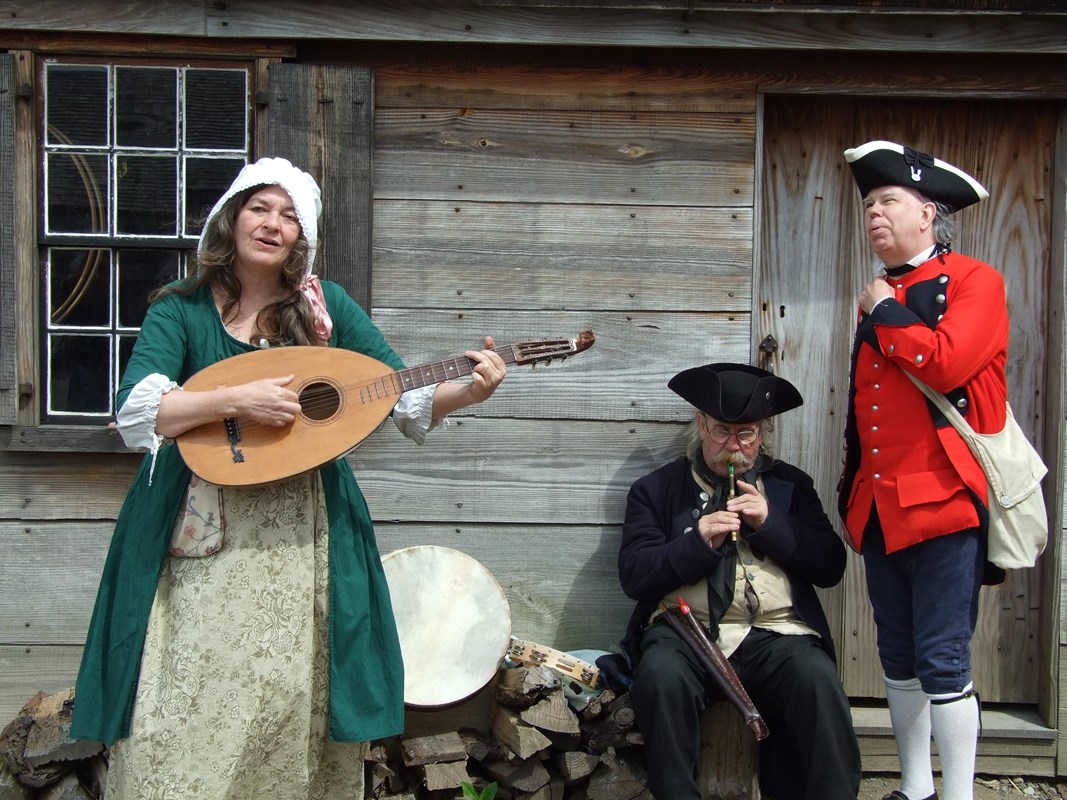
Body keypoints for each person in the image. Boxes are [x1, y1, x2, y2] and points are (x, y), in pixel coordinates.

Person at [69, 157, 507, 798]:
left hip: (305, 531)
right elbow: (141, 412)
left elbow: (395, 393)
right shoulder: (181, 309)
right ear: (232, 218)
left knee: (288, 687)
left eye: (289, 216)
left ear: (303, 236)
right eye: (259, 208)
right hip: (201, 527)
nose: (272, 224)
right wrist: (234, 400)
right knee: (188, 685)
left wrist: (469, 391)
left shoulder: (325, 308)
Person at [837, 140, 1008, 800]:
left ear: (927, 214)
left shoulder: (974, 280)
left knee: (943, 661)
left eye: (888, 201)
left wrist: (884, 310)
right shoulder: (881, 295)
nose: (874, 214)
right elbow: (865, 411)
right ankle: (916, 790)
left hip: (943, 504)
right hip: (881, 508)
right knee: (899, 658)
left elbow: (946, 363)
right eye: (868, 205)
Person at [616, 362, 861, 800]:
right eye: (721, 432)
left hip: (779, 633)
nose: (733, 447)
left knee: (818, 680)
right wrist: (696, 542)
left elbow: (830, 566)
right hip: (689, 633)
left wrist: (772, 524)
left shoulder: (791, 486)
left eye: (745, 434)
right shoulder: (656, 490)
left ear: (762, 433)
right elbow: (635, 575)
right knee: (660, 676)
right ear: (701, 426)